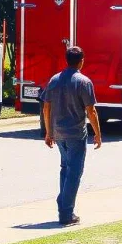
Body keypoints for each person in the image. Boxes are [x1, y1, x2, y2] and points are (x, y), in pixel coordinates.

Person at [43, 46, 102, 227]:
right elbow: (91, 111)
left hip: (58, 133)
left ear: (66, 60)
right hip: (76, 134)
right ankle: (66, 212)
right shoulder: (83, 82)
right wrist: (98, 135)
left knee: (65, 169)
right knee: (74, 172)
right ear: (81, 61)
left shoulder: (54, 80)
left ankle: (64, 206)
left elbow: (46, 108)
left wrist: (48, 132)